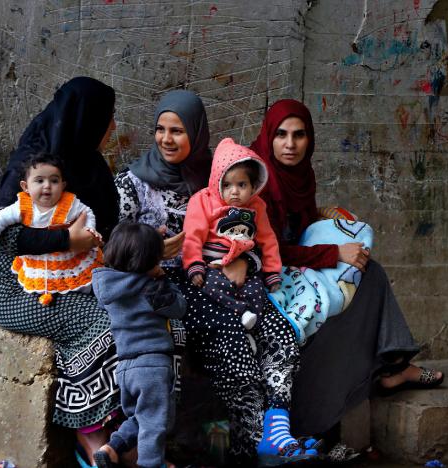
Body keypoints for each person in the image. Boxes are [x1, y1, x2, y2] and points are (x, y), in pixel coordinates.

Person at [116, 90, 317, 465]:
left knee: (281, 333)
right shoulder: (131, 183)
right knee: (233, 342)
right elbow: (116, 249)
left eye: (177, 130)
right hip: (179, 283)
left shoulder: (223, 175)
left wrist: (251, 265)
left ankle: (277, 428)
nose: (166, 139)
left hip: (241, 278)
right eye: (160, 129)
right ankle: (258, 443)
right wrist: (153, 251)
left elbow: (255, 236)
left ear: (196, 132)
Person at [249, 99, 444, 456]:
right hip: (266, 275)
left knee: (370, 272)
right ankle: (385, 371)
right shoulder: (259, 180)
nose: (290, 144)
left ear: (310, 140)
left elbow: (300, 228)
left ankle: (394, 367)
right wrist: (334, 253)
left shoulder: (300, 175)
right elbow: (271, 249)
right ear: (268, 137)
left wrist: (328, 220)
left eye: (299, 135)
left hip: (296, 267)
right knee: (352, 285)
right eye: (280, 135)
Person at [0, 76, 154, 466]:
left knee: (149, 313)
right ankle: (92, 436)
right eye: (108, 118)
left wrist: (143, 250)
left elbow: (105, 234)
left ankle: (137, 437)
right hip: (22, 291)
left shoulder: (90, 168)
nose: (112, 128)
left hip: (80, 278)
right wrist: (68, 241)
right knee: (105, 324)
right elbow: (3, 243)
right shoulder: (33, 170)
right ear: (85, 118)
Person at [92, 223, 186, 468]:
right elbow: (178, 308)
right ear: (150, 260)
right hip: (153, 365)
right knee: (155, 423)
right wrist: (163, 279)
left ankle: (112, 448)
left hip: (125, 367)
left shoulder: (108, 287)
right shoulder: (152, 288)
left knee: (140, 416)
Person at [182, 137, 282, 330]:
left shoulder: (257, 206)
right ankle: (242, 312)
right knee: (211, 286)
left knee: (256, 290)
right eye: (227, 185)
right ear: (216, 182)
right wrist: (194, 264)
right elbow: (192, 235)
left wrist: (272, 271)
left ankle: (251, 325)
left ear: (253, 186)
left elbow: (268, 240)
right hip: (211, 265)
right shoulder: (202, 201)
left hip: (242, 260)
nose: (234, 192)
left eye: (241, 185)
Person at [0, 153, 103, 305]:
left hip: (67, 260)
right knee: (40, 285)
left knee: (80, 283)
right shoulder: (23, 207)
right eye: (39, 180)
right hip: (37, 261)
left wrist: (89, 229)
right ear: (26, 187)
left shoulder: (69, 204)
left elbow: (87, 212)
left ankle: (86, 297)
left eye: (54, 180)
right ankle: (46, 296)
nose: (47, 186)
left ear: (63, 185)